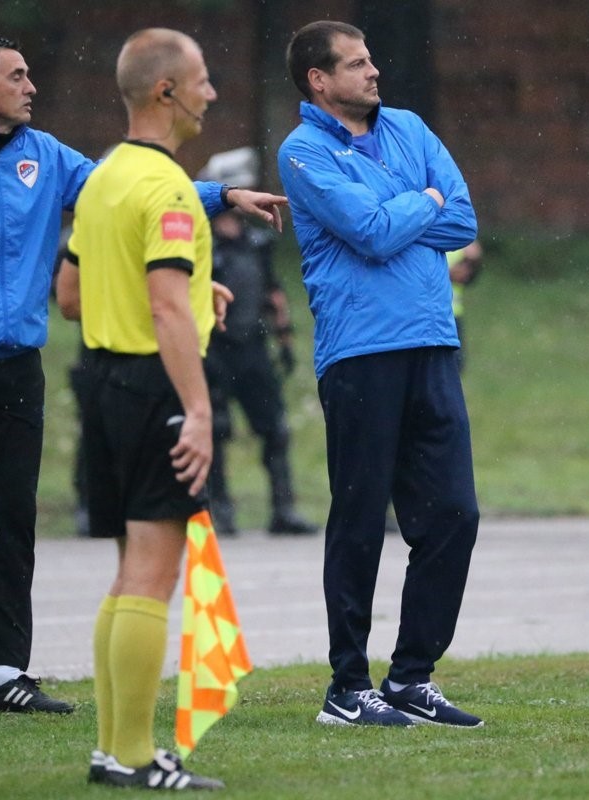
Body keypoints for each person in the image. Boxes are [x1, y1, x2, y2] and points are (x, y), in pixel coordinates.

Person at [0, 36, 285, 718]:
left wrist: (222, 195)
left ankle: (7, 674)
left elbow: (127, 192)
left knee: (16, 517)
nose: (31, 86)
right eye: (16, 76)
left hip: (19, 367)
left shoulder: (44, 157)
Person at [278, 21, 483, 727]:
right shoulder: (302, 151)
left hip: (431, 340)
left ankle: (410, 679)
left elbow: (463, 219)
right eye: (356, 63)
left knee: (456, 513)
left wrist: (415, 212)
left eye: (371, 58)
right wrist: (422, 200)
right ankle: (346, 687)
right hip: (359, 353)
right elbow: (368, 232)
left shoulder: (410, 127)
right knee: (361, 519)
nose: (373, 72)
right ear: (319, 79)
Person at [57, 27, 241, 790]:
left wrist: (200, 291)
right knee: (154, 575)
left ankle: (113, 750)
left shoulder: (104, 176)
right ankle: (132, 757)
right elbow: (167, 311)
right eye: (201, 78)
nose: (213, 91)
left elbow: (69, 296)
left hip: (101, 381)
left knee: (129, 573)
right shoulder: (166, 187)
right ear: (166, 91)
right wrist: (196, 411)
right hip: (152, 389)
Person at [197, 148, 319, 537]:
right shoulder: (202, 241)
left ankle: (283, 508)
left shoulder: (257, 242)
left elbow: (273, 292)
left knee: (275, 428)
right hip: (214, 348)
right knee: (215, 429)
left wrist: (284, 338)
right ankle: (221, 510)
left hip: (253, 347)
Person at [446, 239, 484, 373]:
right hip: (430, 314)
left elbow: (468, 276)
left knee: (456, 363)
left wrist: (474, 261)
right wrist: (446, 273)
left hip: (453, 313)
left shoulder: (460, 238)